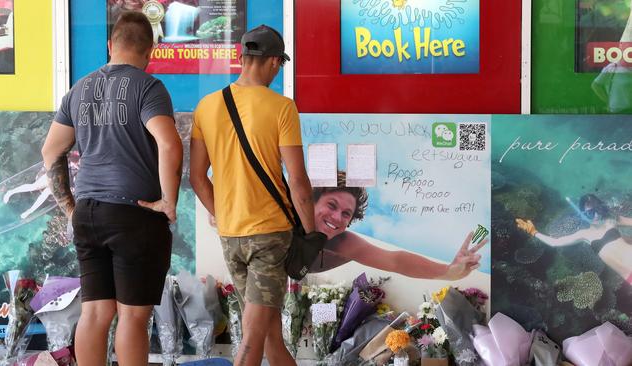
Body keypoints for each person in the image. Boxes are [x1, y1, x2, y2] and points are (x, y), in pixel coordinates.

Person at [41, 11, 182, 366]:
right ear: (151, 50)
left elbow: (50, 151)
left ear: (110, 46)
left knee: (95, 314)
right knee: (132, 316)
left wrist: (71, 209)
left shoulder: (78, 89)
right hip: (133, 214)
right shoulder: (148, 87)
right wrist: (168, 201)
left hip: (88, 213)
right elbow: (169, 144)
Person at [190, 24, 314, 366]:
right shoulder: (282, 107)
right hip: (270, 238)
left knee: (270, 333)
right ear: (274, 62)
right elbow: (299, 182)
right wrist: (312, 233)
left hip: (232, 237)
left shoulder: (206, 107)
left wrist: (223, 213)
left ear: (243, 58)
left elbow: (197, 178)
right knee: (253, 338)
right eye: (279, 65)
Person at [310, 171, 485, 280]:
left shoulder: (342, 242)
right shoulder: (287, 223)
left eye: (346, 214)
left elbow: (397, 261)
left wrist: (448, 272)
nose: (336, 217)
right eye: (331, 205)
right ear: (312, 202)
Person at [516, 194, 632, 285]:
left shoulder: (611, 220)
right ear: (583, 214)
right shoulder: (584, 234)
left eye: (598, 209)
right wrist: (534, 232)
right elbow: (555, 242)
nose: (596, 215)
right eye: (590, 213)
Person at [3, 152, 80, 220]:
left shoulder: (82, 171)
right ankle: (11, 192)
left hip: (63, 183)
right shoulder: (75, 156)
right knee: (34, 186)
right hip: (56, 173)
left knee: (47, 192)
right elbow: (62, 156)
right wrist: (47, 165)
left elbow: (77, 183)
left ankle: (30, 211)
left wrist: (71, 189)